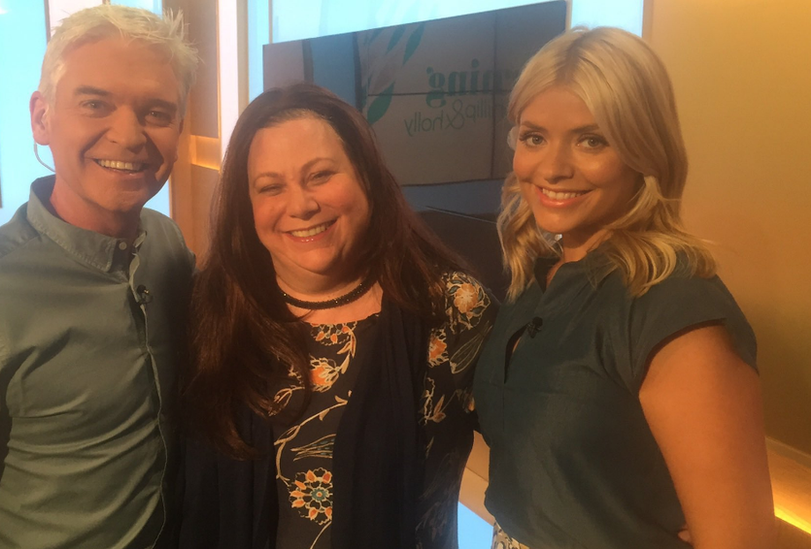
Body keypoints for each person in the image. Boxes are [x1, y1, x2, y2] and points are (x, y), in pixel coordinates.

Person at [0, 6, 198, 548]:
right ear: (42, 117)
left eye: (156, 112)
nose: (128, 135)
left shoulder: (167, 244)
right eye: (95, 103)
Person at [473, 27, 775, 549]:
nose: (552, 168)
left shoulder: (674, 306)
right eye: (534, 136)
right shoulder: (538, 275)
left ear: (644, 149)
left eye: (593, 140)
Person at [178, 83, 495, 549]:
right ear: (247, 207)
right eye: (271, 187)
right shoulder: (216, 308)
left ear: (367, 176)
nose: (301, 205)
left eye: (320, 175)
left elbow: (540, 466)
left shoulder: (451, 308)